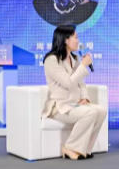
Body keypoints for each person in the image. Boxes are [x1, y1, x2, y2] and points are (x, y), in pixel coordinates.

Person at [42, 25, 106, 160]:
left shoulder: (74, 58)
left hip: (75, 104)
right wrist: (83, 65)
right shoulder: (52, 60)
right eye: (75, 38)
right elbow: (68, 83)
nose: (78, 41)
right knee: (90, 112)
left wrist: (85, 97)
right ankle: (70, 148)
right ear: (66, 40)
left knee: (101, 110)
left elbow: (81, 83)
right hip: (60, 107)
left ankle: (84, 149)